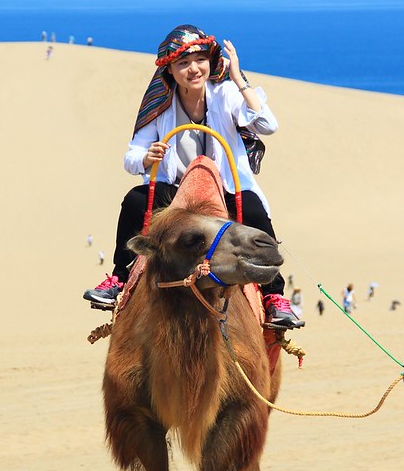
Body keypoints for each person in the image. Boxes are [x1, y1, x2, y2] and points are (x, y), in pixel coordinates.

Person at [84, 24, 303, 330]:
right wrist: (147, 158)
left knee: (253, 208)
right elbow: (131, 156)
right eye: (183, 63)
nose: (193, 69)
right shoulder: (161, 106)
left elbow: (267, 125)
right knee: (134, 201)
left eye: (199, 59)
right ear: (170, 70)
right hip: (178, 193)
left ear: (211, 62)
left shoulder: (226, 94)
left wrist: (239, 79)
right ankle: (118, 278)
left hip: (223, 188)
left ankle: (273, 296)